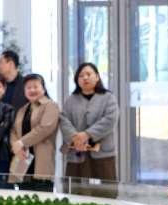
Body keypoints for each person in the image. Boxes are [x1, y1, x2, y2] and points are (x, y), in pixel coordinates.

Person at [60, 62, 119, 198]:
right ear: (77, 80)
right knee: (75, 191)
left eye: (88, 74)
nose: (85, 78)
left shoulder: (108, 97)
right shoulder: (71, 100)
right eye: (81, 76)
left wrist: (87, 134)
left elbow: (110, 120)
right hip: (77, 152)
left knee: (106, 191)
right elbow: (64, 120)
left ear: (97, 77)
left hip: (103, 153)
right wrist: (75, 137)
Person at [9, 74, 59, 192]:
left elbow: (45, 128)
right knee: (22, 197)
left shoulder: (50, 105)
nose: (32, 90)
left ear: (43, 89)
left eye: (35, 86)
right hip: (23, 160)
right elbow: (14, 131)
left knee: (42, 197)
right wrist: (16, 147)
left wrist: (21, 142)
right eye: (28, 87)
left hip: (41, 159)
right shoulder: (23, 109)